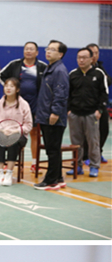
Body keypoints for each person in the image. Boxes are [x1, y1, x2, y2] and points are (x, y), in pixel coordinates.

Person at [0, 42, 48, 166]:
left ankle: (34, 163)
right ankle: (9, 162)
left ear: (37, 52)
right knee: (13, 132)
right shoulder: (15, 64)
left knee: (34, 134)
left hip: (35, 105)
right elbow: (1, 76)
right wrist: (10, 88)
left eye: (31, 49)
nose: (28, 51)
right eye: (26, 49)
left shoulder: (42, 67)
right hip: (16, 106)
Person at [67, 47, 108, 178]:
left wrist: (99, 110)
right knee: (76, 142)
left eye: (84, 57)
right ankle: (77, 166)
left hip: (92, 114)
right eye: (79, 57)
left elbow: (104, 94)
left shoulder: (99, 74)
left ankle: (94, 166)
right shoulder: (73, 74)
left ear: (91, 59)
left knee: (93, 141)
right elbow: (67, 94)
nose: (81, 60)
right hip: (75, 114)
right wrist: (68, 110)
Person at [34, 41, 69, 191]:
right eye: (48, 49)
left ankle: (51, 181)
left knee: (52, 150)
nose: (48, 51)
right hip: (45, 115)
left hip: (53, 117)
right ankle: (59, 178)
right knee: (53, 148)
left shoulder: (59, 71)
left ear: (60, 54)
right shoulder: (50, 68)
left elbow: (61, 93)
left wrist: (55, 112)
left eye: (53, 50)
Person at [0, 77, 33, 185]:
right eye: (6, 86)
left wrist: (16, 131)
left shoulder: (24, 104)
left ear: (17, 89)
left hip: (19, 135)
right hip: (2, 133)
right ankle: (0, 173)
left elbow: (28, 125)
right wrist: (1, 130)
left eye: (11, 86)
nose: (8, 88)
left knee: (13, 140)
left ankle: (9, 173)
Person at [86, 43, 110, 165]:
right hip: (87, 106)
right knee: (87, 133)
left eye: (96, 53)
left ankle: (98, 152)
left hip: (100, 105)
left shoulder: (100, 67)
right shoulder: (83, 69)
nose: (94, 55)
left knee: (104, 130)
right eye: (92, 53)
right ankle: (86, 155)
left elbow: (108, 81)